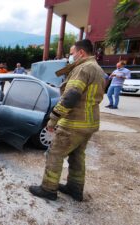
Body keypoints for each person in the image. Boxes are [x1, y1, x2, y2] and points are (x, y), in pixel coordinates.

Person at [29, 40, 105, 201]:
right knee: (77, 156)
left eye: (72, 53)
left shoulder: (83, 68)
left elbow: (71, 97)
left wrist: (53, 119)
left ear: (81, 53)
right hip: (89, 124)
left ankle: (48, 189)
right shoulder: (97, 69)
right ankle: (75, 188)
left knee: (54, 154)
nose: (70, 56)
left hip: (73, 124)